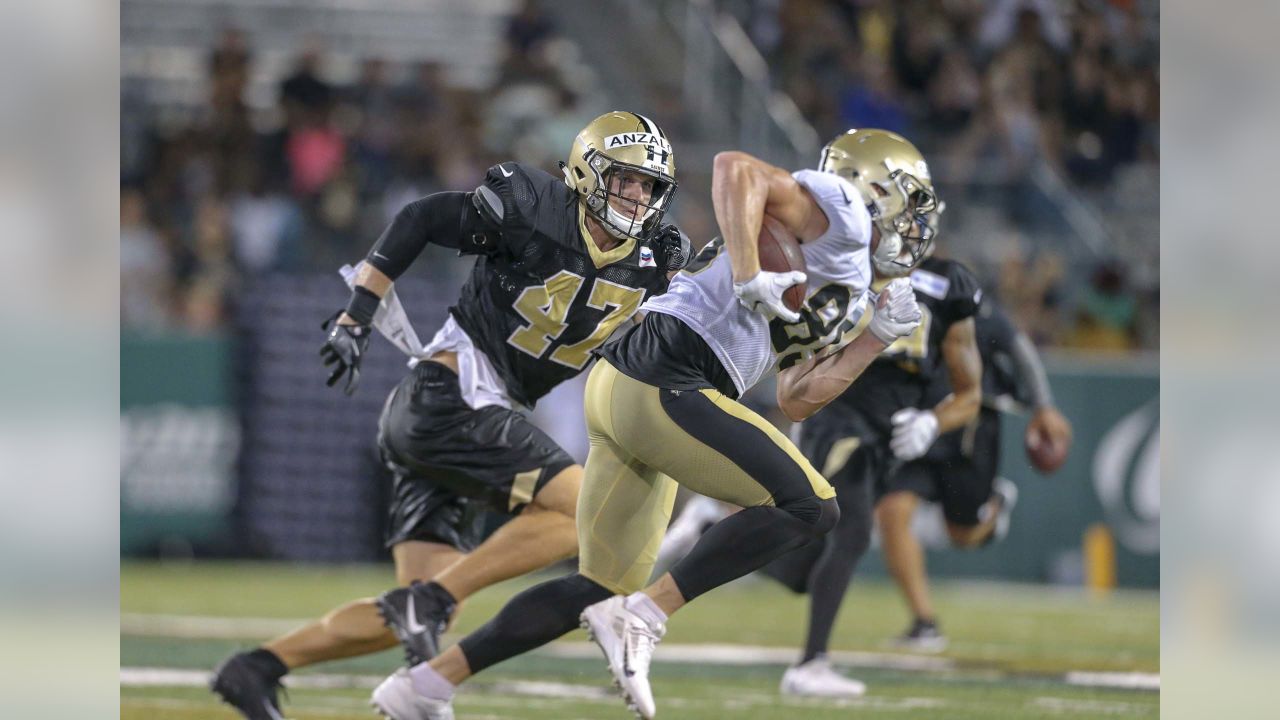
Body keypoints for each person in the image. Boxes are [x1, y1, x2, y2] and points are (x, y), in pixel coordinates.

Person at [371, 128, 937, 720]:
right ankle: (646, 615)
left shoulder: (850, 280)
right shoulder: (840, 213)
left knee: (599, 585)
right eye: (911, 200)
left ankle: (426, 685)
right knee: (813, 506)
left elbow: (796, 397)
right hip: (668, 372)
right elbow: (734, 165)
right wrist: (747, 272)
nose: (916, 222)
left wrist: (874, 338)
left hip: (639, 384)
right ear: (873, 186)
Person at [210, 111, 689, 720]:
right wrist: (358, 313)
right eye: (625, 179)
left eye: (649, 186)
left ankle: (256, 669)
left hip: (464, 415)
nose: (638, 196)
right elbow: (422, 218)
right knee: (581, 516)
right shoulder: (533, 206)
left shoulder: (655, 259)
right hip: (450, 394)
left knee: (409, 615)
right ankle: (434, 598)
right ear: (588, 172)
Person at [873, 292, 1073, 651]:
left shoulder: (959, 292)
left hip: (969, 429)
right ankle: (925, 622)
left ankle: (994, 507)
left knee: (963, 534)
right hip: (919, 425)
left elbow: (1017, 346)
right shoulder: (893, 290)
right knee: (892, 511)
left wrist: (1044, 406)